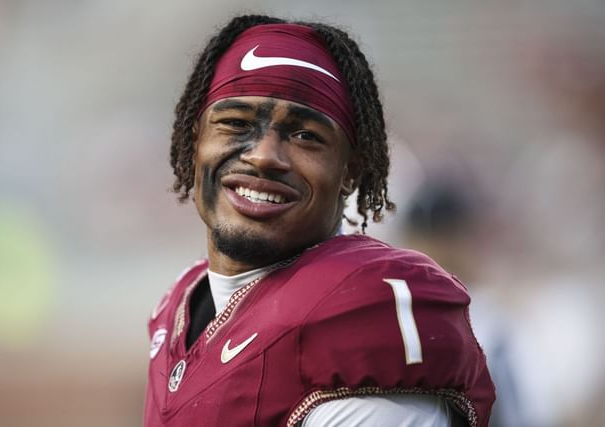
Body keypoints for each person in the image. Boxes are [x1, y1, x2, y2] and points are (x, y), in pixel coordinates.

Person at [144, 14, 495, 427]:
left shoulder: (364, 314)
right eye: (236, 123)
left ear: (351, 170)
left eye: (305, 136)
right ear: (194, 141)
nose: (263, 156)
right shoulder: (182, 303)